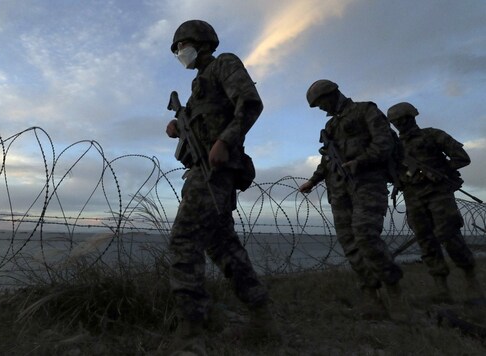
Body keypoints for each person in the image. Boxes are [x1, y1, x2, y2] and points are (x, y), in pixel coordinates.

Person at [165, 19, 275, 353]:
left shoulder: (224, 63)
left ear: (199, 42)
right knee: (222, 245)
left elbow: (250, 103)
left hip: (215, 172)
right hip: (200, 171)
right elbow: (205, 124)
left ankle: (192, 324)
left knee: (184, 241)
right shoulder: (199, 86)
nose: (180, 53)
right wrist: (178, 127)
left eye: (182, 46)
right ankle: (261, 311)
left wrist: (226, 141)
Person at [298, 80, 409, 321]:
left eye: (322, 104)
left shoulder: (365, 110)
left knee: (366, 236)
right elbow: (328, 161)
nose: (322, 110)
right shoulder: (331, 125)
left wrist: (361, 161)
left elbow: (384, 143)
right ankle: (372, 296)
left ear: (332, 94)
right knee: (350, 243)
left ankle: (393, 289)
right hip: (338, 190)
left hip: (367, 184)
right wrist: (314, 180)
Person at [387, 102, 484, 304]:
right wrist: (398, 179)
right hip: (413, 197)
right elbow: (390, 171)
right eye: (396, 122)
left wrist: (441, 171)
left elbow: (462, 157)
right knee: (426, 241)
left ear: (412, 117)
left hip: (438, 194)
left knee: (449, 236)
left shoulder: (432, 135)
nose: (400, 124)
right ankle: (441, 289)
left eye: (403, 120)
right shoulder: (394, 146)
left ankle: (471, 281)